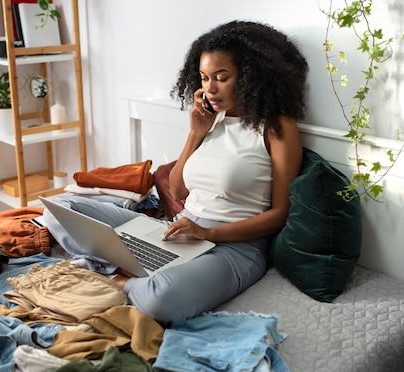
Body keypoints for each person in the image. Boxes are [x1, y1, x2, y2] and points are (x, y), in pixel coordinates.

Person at [44, 20, 308, 325]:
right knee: (59, 208)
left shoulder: (276, 128)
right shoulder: (210, 120)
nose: (210, 89)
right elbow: (178, 191)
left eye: (221, 78)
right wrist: (195, 133)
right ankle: (127, 268)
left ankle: (120, 281)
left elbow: (280, 214)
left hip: (234, 250)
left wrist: (208, 233)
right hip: (177, 231)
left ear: (251, 77)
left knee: (161, 300)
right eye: (204, 78)